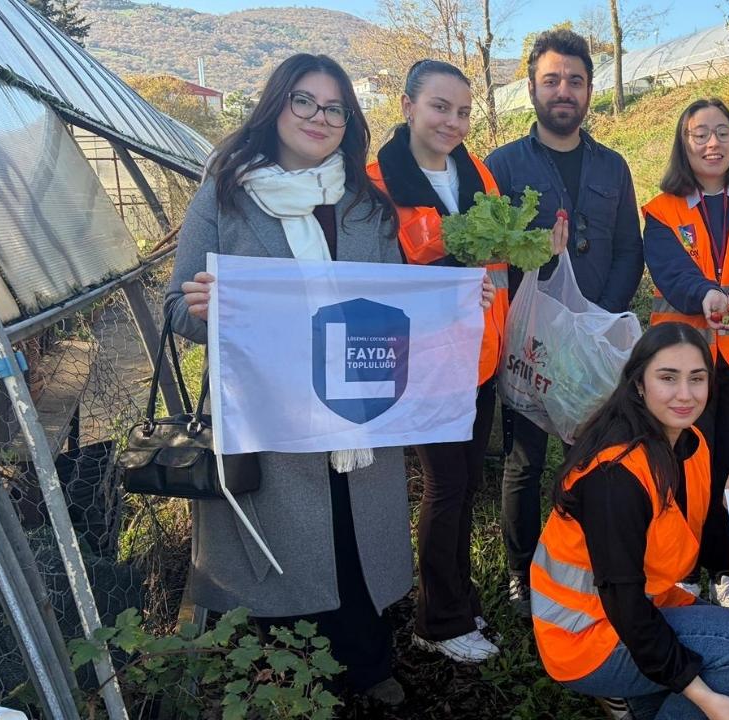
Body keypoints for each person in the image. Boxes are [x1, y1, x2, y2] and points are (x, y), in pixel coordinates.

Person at [165, 54, 492, 707]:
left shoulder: (366, 204)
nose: (319, 117)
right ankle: (294, 679)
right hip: (274, 416)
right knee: (291, 550)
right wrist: (203, 310)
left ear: (349, 121)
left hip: (355, 411)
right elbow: (177, 308)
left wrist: (453, 301)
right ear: (276, 108)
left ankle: (368, 668)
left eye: (334, 107)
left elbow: (394, 301)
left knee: (352, 538)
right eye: (304, 101)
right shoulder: (225, 195)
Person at [366, 59, 561, 663]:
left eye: (463, 111)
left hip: (479, 357)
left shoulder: (475, 171)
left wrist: (534, 255)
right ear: (407, 107)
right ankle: (438, 620)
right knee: (446, 487)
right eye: (439, 107)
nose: (453, 122)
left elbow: (498, 261)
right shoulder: (376, 184)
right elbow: (374, 281)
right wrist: (446, 287)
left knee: (466, 484)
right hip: (423, 364)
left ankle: (458, 597)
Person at [485, 28, 645, 615]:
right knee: (524, 460)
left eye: (575, 81)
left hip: (595, 342)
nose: (563, 91)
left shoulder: (613, 166)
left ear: (589, 90)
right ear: (531, 88)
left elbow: (629, 247)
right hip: (531, 342)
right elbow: (491, 253)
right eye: (551, 79)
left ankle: (590, 565)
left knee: (600, 458)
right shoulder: (502, 166)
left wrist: (599, 318)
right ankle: (521, 572)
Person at [531, 322, 729, 720]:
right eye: (668, 378)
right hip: (584, 636)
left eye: (697, 379)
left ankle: (641, 704)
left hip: (642, 605)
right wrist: (704, 697)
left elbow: (692, 542)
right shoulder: (615, 476)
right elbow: (625, 605)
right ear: (639, 384)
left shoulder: (690, 443)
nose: (685, 394)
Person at [642, 98, 729, 609]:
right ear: (683, 143)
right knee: (683, 464)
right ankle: (679, 567)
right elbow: (670, 272)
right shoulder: (661, 210)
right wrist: (704, 295)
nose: (712, 143)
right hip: (684, 366)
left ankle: (726, 567)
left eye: (722, 132)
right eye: (699, 134)